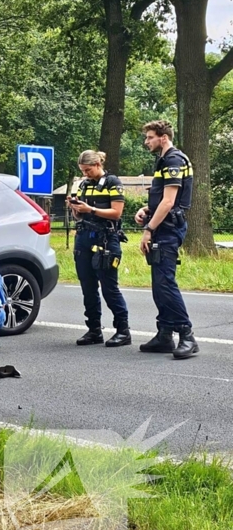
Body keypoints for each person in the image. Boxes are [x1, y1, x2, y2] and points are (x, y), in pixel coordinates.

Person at [134, 119, 198, 359]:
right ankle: (164, 334)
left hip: (168, 229)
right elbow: (162, 199)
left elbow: (170, 202)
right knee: (159, 284)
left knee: (165, 284)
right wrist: (146, 210)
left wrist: (148, 228)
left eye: (150, 137)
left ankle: (187, 335)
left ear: (163, 137)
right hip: (164, 226)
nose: (146, 142)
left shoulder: (173, 160)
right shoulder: (164, 160)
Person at [67, 150, 131, 347]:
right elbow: (81, 216)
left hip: (106, 239)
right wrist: (75, 208)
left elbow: (116, 213)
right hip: (84, 237)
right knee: (88, 287)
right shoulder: (85, 185)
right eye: (83, 171)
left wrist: (91, 209)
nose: (85, 174)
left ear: (97, 164)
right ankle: (94, 330)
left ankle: (123, 331)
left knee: (109, 287)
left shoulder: (113, 182)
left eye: (87, 170)